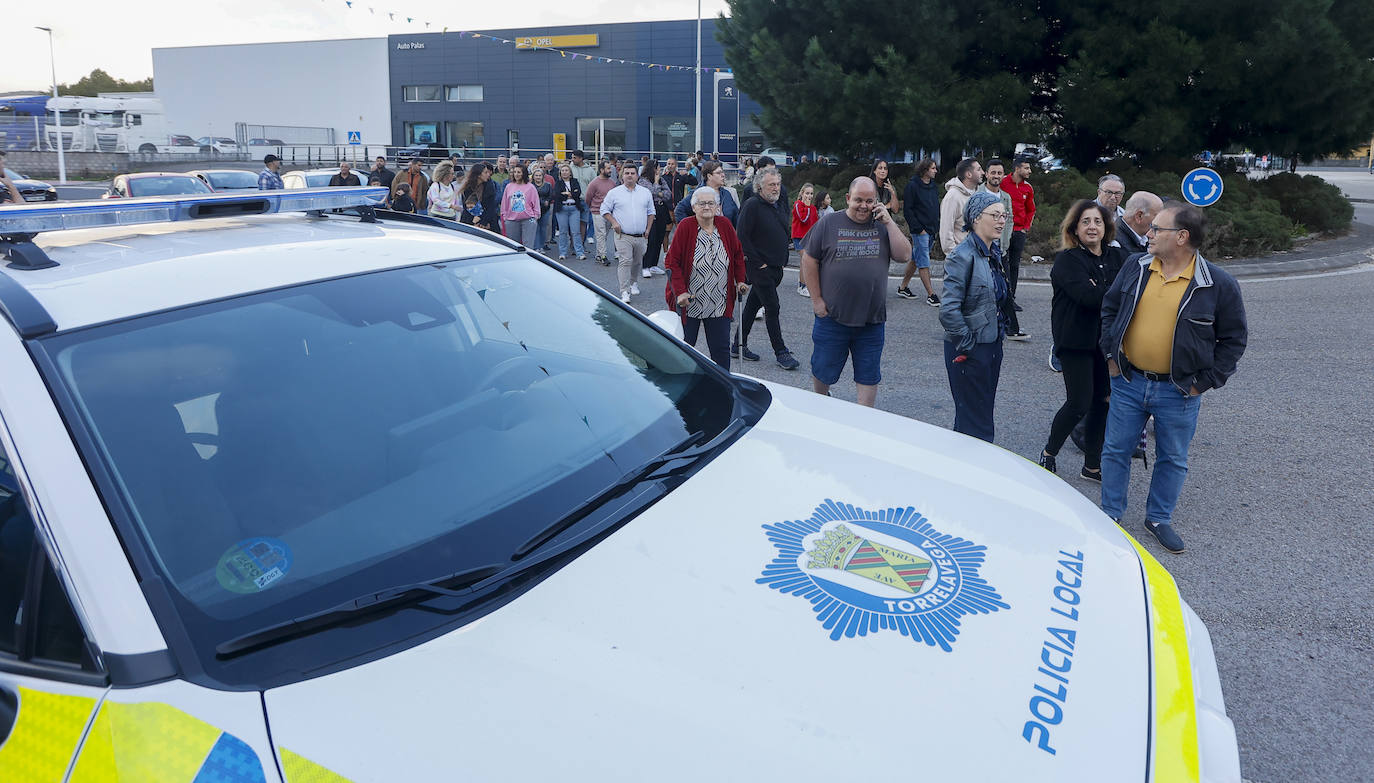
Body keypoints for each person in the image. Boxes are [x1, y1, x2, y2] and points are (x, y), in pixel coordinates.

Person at [1099, 204, 1248, 553]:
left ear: (1181, 237)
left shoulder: (1217, 284)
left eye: (1156, 229)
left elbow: (1234, 340)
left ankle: (1158, 518)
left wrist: (1203, 382)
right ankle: (1109, 515)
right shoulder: (1135, 268)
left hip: (1180, 390)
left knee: (1173, 457)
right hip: (1129, 380)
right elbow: (1109, 310)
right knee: (1116, 449)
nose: (1147, 234)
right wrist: (1111, 359)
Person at [802, 177, 912, 407]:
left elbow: (904, 256)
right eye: (858, 200)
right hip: (832, 317)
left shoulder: (882, 226)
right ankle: (820, 404)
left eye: (869, 201)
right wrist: (817, 300)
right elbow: (809, 259)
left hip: (871, 320)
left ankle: (864, 420)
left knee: (868, 375)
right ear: (848, 198)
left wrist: (890, 223)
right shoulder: (829, 223)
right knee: (822, 370)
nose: (864, 206)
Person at [1038, 201, 1127, 479]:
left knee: (1103, 400)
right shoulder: (1068, 260)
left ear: (1106, 227)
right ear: (1075, 228)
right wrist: (1112, 292)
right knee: (1079, 402)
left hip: (1105, 342)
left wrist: (1102, 289)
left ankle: (1092, 465)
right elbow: (1089, 298)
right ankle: (1049, 453)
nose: (1092, 226)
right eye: (1086, 221)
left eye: (1097, 221)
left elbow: (1129, 291)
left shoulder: (1118, 257)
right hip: (1075, 341)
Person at [939, 191, 1012, 442]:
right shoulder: (962, 255)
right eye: (995, 215)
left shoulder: (993, 253)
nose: (1002, 220)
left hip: (991, 344)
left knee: (977, 414)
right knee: (977, 424)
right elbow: (949, 309)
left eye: (1004, 215)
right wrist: (969, 346)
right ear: (976, 218)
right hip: (970, 349)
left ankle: (962, 471)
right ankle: (977, 474)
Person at [664, 186, 750, 370]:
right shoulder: (686, 226)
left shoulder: (725, 225)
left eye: (711, 203)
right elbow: (672, 263)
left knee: (721, 351)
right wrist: (680, 292)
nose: (706, 207)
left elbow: (737, 254)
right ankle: (680, 385)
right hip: (689, 301)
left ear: (717, 206)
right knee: (684, 348)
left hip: (718, 301)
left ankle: (724, 388)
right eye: (701, 203)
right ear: (694, 207)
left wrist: (740, 280)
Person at [735, 168, 800, 370]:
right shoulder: (752, 204)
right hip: (760, 268)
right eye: (771, 184)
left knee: (753, 306)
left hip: (776, 267)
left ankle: (738, 345)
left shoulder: (778, 204)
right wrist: (758, 263)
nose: (776, 188)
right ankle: (781, 352)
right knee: (772, 308)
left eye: (778, 184)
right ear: (760, 186)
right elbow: (742, 236)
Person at [600, 163, 656, 303]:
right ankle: (624, 291)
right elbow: (604, 210)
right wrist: (614, 222)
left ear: (637, 175)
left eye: (632, 173)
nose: (629, 175)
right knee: (625, 261)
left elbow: (651, 213)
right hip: (623, 235)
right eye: (627, 173)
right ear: (622, 176)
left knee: (637, 262)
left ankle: (633, 283)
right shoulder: (615, 193)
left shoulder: (645, 192)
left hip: (641, 235)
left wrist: (648, 229)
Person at [897, 158, 942, 306]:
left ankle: (903, 287)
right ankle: (931, 294)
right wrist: (919, 229)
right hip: (920, 231)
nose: (935, 171)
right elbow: (908, 210)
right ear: (925, 170)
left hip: (931, 229)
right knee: (923, 261)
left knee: (916, 259)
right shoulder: (912, 186)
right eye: (933, 168)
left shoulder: (933, 186)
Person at [1002, 156, 1036, 338]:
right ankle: (1003, 297)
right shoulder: (1003, 183)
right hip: (1003, 231)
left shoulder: (1027, 188)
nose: (1029, 171)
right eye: (1026, 168)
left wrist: (1025, 228)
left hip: (1019, 231)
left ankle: (1012, 298)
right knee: (1003, 264)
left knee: (1014, 265)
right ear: (1016, 169)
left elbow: (1031, 209)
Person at [939, 158, 981, 255]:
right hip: (961, 258)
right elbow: (946, 230)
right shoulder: (952, 196)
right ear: (968, 174)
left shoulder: (978, 194)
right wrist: (955, 256)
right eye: (978, 169)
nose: (982, 172)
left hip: (976, 255)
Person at [675, 160, 738, 225]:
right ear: (709, 176)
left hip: (724, 233)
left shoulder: (726, 194)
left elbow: (736, 216)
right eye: (719, 173)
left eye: (722, 172)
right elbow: (679, 210)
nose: (723, 175)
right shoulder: (698, 193)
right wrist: (689, 229)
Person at [641, 160, 673, 277]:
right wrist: (656, 184)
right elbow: (650, 193)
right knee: (651, 238)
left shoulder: (661, 179)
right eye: (658, 168)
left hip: (661, 209)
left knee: (660, 237)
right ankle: (646, 265)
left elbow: (668, 194)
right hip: (650, 210)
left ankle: (653, 264)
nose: (660, 170)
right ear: (653, 168)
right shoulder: (643, 180)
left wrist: (659, 192)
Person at [979, 159, 1014, 262]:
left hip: (999, 249)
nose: (996, 176)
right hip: (980, 249)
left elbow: (1010, 220)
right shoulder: (977, 194)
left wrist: (1005, 242)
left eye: (999, 173)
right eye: (993, 173)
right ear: (986, 174)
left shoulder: (1006, 197)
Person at [585, 160, 619, 266]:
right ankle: (603, 256)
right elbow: (588, 197)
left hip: (609, 213)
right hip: (597, 212)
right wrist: (593, 208)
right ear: (601, 170)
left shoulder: (612, 183)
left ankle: (599, 255)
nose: (610, 171)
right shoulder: (594, 183)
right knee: (601, 234)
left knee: (604, 235)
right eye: (608, 168)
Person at [500, 162, 540, 247]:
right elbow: (504, 203)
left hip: (528, 220)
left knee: (528, 246)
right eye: (515, 172)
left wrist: (535, 217)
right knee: (513, 246)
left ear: (523, 173)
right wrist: (505, 216)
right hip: (511, 220)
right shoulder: (509, 186)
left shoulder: (530, 187)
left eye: (519, 172)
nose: (516, 174)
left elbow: (536, 204)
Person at [554, 163, 586, 260]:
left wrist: (567, 194)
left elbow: (578, 193)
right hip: (562, 209)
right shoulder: (558, 183)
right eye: (562, 170)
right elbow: (558, 195)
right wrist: (571, 194)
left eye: (566, 170)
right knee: (563, 232)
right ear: (560, 172)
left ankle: (579, 253)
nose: (564, 172)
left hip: (574, 209)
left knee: (576, 232)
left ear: (570, 172)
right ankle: (563, 252)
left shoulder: (575, 181)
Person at [1116, 191, 1162, 256]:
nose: (1161, 221)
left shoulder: (1145, 238)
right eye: (1158, 216)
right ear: (1139, 216)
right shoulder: (1115, 245)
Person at [458, 162, 499, 231]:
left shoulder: (489, 186)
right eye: (485, 172)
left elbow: (491, 207)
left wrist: (482, 221)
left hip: (487, 221)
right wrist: (474, 221)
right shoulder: (467, 188)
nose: (488, 174)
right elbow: (466, 207)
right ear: (479, 175)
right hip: (470, 221)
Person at [791, 182, 819, 255]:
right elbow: (803, 220)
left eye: (811, 193)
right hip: (799, 237)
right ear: (802, 194)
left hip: (809, 237)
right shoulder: (798, 204)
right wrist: (807, 207)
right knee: (804, 258)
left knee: (808, 260)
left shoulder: (813, 208)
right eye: (807, 193)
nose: (809, 196)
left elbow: (816, 224)